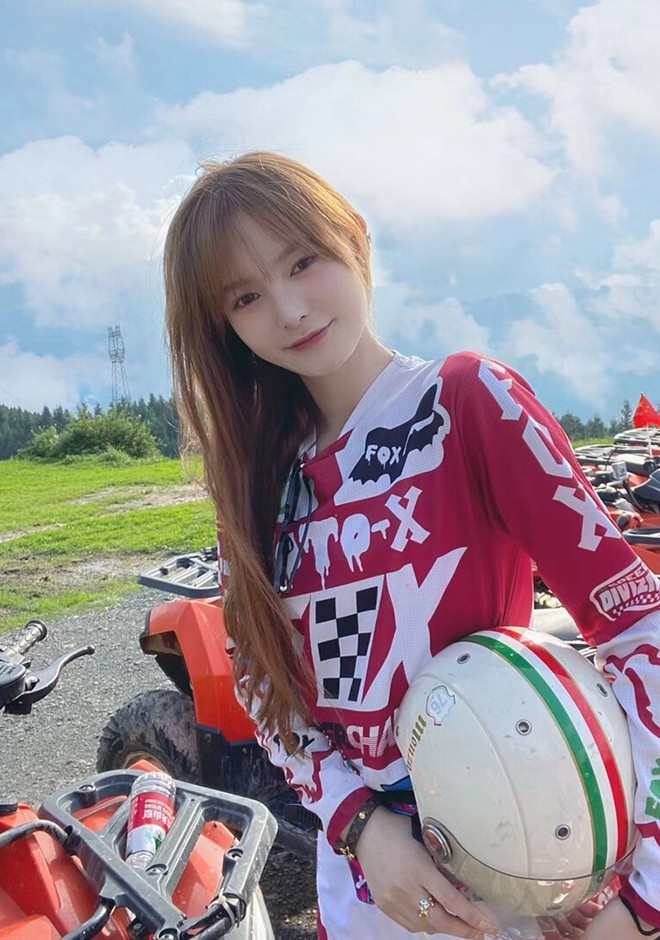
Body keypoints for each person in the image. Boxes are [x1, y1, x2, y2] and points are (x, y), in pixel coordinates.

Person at [163, 150, 660, 939]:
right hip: (364, 897)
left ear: (355, 239)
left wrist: (645, 898)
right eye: (247, 297)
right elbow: (262, 682)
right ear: (224, 327)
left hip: (512, 882)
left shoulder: (468, 401)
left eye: (303, 261)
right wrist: (359, 825)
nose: (290, 309)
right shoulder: (255, 482)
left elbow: (640, 629)